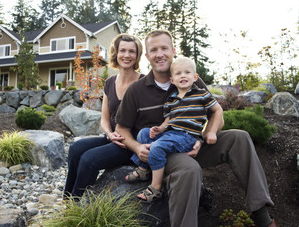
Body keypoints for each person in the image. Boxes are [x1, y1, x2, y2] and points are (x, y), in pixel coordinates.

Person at [115, 30, 278, 227]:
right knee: (189, 169)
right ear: (147, 56)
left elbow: (216, 117)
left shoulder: (191, 80)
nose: (160, 54)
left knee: (239, 138)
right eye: (154, 50)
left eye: (164, 48)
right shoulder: (137, 90)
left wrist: (201, 138)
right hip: (162, 153)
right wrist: (137, 148)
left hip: (190, 142)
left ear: (173, 51)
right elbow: (121, 128)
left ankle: (263, 219)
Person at [125, 56, 223, 204]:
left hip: (187, 136)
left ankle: (156, 187)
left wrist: (211, 132)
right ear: (172, 80)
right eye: (178, 73)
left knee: (157, 147)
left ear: (195, 77)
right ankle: (144, 168)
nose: (183, 75)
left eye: (187, 72)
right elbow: (168, 120)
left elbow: (218, 111)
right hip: (171, 133)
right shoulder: (171, 99)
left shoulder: (201, 94)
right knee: (143, 133)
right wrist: (159, 129)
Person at [63, 33, 144, 200]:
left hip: (130, 144)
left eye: (131, 51)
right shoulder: (109, 82)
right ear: (116, 53)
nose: (127, 55)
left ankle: (76, 204)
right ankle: (67, 200)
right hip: (112, 138)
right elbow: (105, 118)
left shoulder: (144, 83)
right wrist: (109, 134)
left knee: (89, 159)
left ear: (137, 55)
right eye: (123, 51)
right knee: (75, 149)